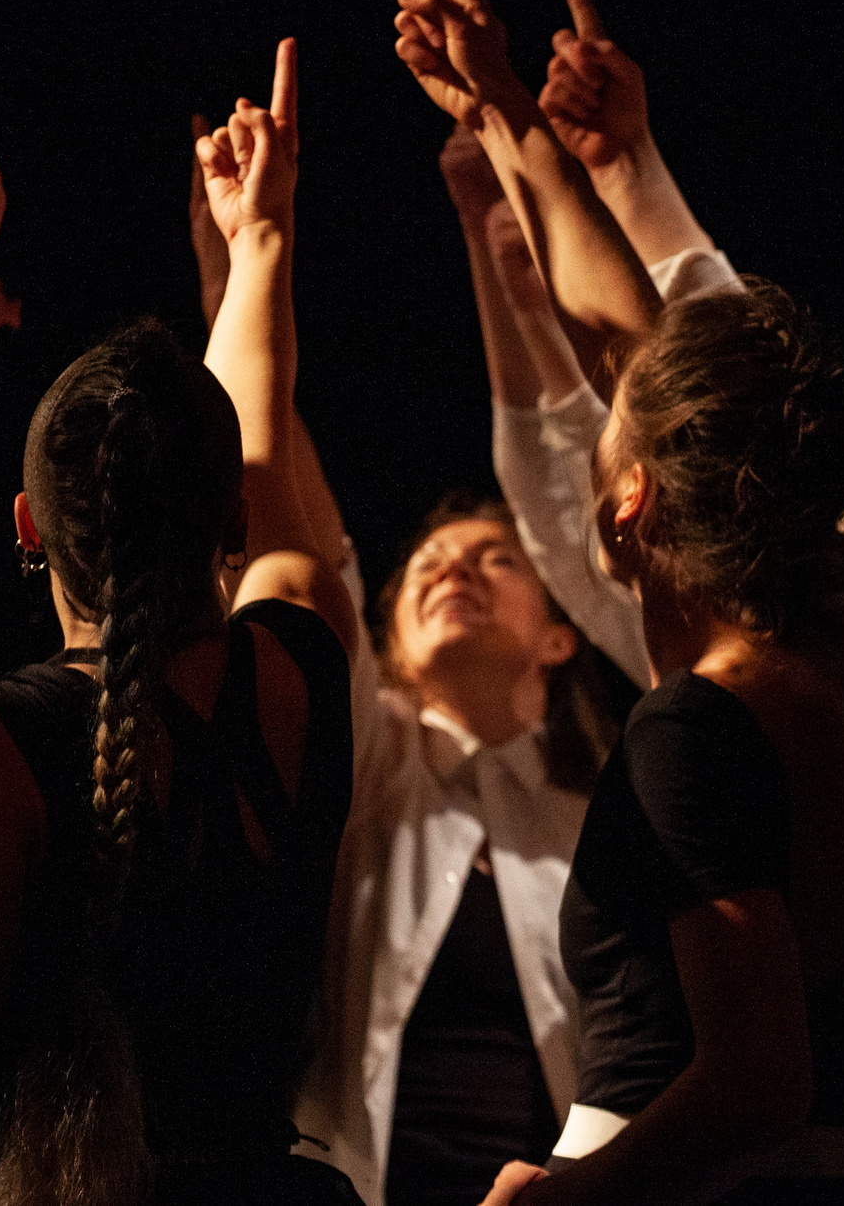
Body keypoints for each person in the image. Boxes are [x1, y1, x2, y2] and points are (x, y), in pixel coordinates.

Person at [389, 0, 844, 1204]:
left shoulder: (701, 728)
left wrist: (561, 1197)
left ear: (633, 508)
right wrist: (506, 112)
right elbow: (650, 351)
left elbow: (757, 1078)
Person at [0, 41, 362, 1206]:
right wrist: (258, 241)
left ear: (28, 523)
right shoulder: (303, 668)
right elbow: (264, 473)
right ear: (230, 518)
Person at [286, 122, 644, 1206]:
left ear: (561, 628)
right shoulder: (369, 772)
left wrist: (504, 260)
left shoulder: (603, 818)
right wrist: (237, 271)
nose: (456, 572)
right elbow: (307, 543)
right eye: (431, 567)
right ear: (386, 646)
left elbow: (549, 477)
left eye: (495, 560)